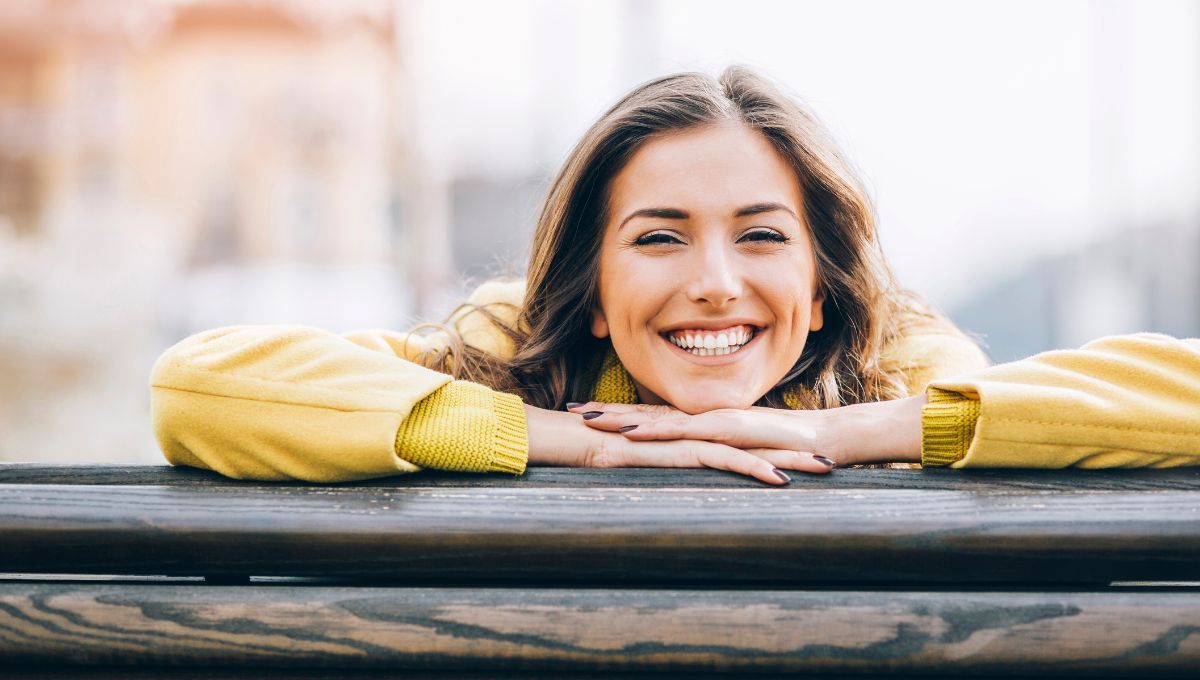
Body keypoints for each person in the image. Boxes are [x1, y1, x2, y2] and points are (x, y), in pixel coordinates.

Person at [153, 66, 1017, 486]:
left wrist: (847, 434)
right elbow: (196, 387)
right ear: (593, 293)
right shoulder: (505, 346)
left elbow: (1161, 386)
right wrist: (581, 441)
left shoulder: (897, 361)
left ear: (820, 280)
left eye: (759, 235)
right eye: (658, 240)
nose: (716, 282)